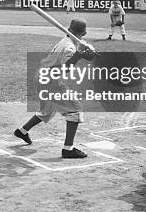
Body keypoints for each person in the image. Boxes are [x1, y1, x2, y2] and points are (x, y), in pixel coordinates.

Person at [13, 18, 96, 159]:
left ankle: (23, 131)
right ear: (85, 32)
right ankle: (68, 149)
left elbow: (88, 55)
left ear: (69, 30)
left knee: (47, 110)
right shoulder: (69, 47)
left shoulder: (67, 40)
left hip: (42, 77)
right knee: (75, 110)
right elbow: (66, 69)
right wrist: (79, 55)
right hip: (50, 81)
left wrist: (87, 52)